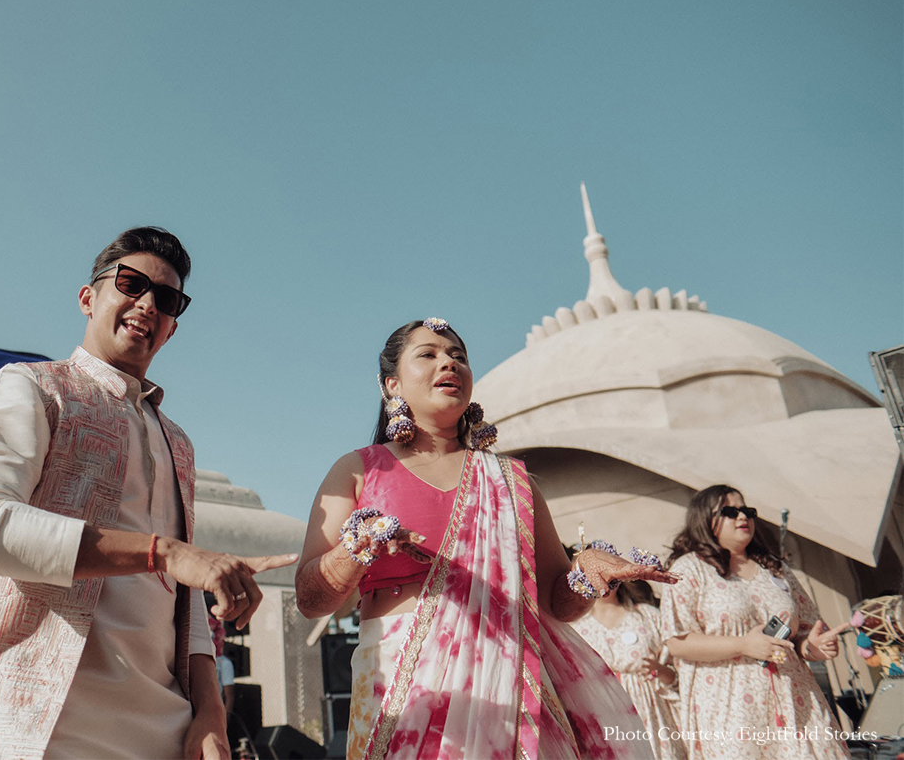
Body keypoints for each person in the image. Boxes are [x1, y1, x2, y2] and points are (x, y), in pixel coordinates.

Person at [0, 227, 298, 760]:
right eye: (131, 284)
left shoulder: (178, 442)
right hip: (36, 719)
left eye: (166, 299)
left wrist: (211, 714)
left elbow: (184, 599)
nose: (147, 304)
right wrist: (163, 551)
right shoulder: (32, 387)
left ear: (172, 328)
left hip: (163, 730)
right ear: (88, 297)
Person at [294, 318, 679, 760]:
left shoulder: (511, 480)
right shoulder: (362, 469)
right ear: (391, 385)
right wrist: (356, 549)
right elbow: (311, 600)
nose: (449, 363)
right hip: (403, 686)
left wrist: (588, 573)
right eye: (429, 354)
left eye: (459, 356)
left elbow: (557, 604)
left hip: (510, 690)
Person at [659, 485, 850, 759]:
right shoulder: (688, 569)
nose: (742, 517)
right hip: (731, 705)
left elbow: (802, 635)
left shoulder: (774, 568)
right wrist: (743, 645)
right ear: (703, 518)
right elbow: (677, 642)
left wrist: (813, 647)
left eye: (747, 511)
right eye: (730, 511)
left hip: (795, 698)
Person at [572, 579, 686, 760]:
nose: (604, 584)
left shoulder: (647, 616)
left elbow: (680, 674)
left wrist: (660, 671)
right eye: (597, 576)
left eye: (610, 577)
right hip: (605, 713)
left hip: (651, 715)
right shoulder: (575, 628)